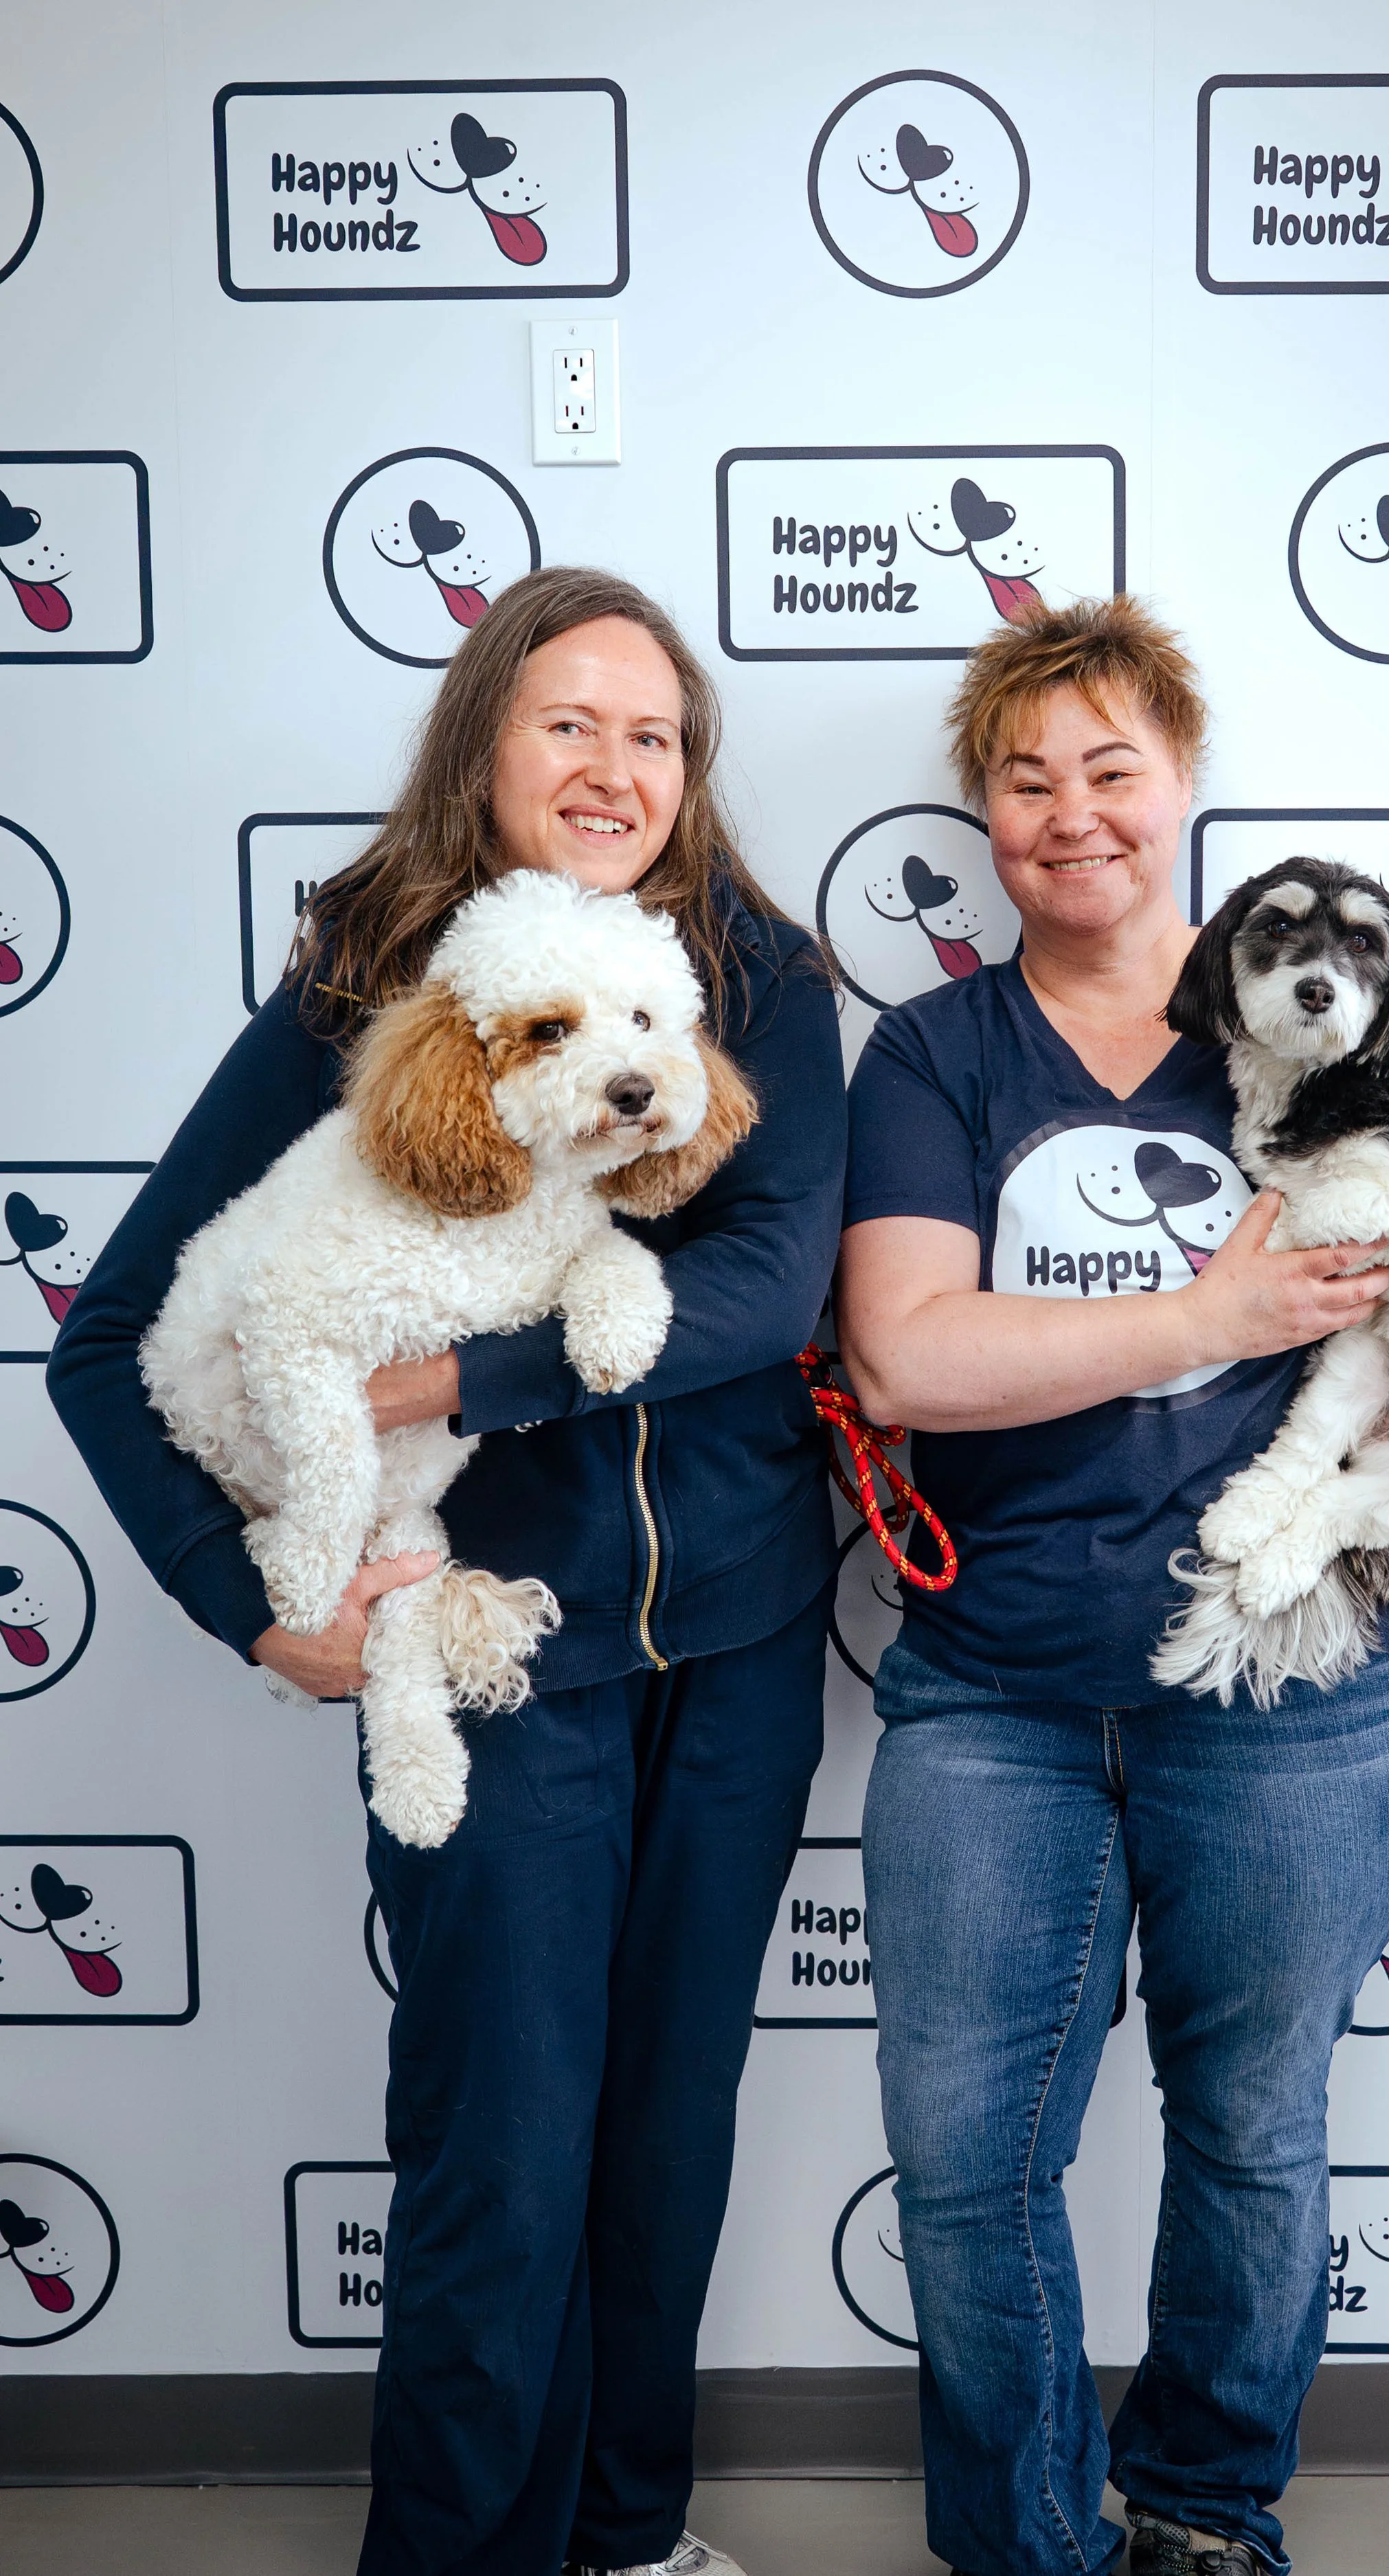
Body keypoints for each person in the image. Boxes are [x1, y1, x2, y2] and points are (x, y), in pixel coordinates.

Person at [48, 569, 846, 2576]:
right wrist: (245, 1596)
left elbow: (767, 1289)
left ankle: (627, 2535)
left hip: (739, 1638)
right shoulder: (364, 984)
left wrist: (451, 1375)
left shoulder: (762, 975)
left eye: (654, 734)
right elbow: (110, 1333)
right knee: (502, 2140)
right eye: (568, 724)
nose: (614, 768)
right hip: (493, 1651)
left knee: (667, 2128)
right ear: (482, 742)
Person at [835, 595, 1389, 2576]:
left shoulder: (1324, 1007)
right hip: (997, 1686)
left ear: (1180, 784)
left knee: (1253, 2127)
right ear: (983, 816)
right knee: (962, 2155)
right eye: (1025, 780)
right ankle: (1025, 2547)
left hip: (1311, 1691)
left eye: (1112, 768)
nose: (1071, 814)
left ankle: (1200, 2513)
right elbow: (908, 1361)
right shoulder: (935, 1052)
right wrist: (1212, 1314)